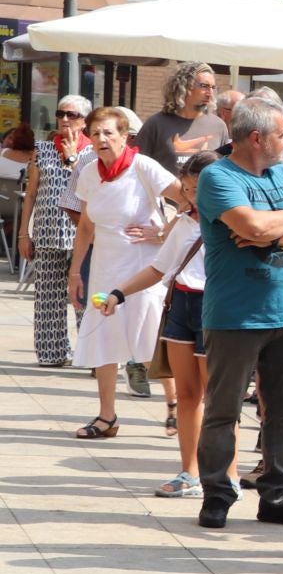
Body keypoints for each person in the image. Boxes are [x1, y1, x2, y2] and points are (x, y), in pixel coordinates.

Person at [195, 96, 283, 531]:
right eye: (282, 133)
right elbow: (250, 226)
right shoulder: (217, 176)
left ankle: (277, 495)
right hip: (235, 316)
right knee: (223, 411)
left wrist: (269, 231)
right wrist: (279, 225)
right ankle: (217, 494)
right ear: (256, 138)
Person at [99, 152, 218, 497]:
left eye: (199, 189)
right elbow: (158, 268)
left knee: (218, 400)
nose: (192, 197)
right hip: (180, 306)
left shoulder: (231, 221)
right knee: (187, 395)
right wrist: (119, 293)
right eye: (187, 189)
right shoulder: (183, 222)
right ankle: (189, 472)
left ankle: (224, 476)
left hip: (215, 309)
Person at [67, 107, 176, 439]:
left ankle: (175, 406)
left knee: (148, 339)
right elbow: (86, 226)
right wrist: (75, 272)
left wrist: (162, 232)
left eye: (109, 132)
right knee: (103, 340)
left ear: (124, 136)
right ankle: (107, 416)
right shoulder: (89, 172)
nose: (102, 139)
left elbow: (189, 199)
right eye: (96, 133)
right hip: (105, 266)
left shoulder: (144, 167)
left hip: (143, 269)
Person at [22, 98, 90, 366]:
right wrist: (24, 234)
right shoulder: (43, 149)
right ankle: (52, 353)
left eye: (72, 115)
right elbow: (31, 194)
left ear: (84, 120)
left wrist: (73, 158)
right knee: (47, 296)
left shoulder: (93, 152)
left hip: (82, 234)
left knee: (84, 295)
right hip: (47, 232)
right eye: (60, 113)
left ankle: (91, 354)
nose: (65, 119)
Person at [137, 61, 227, 173]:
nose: (210, 93)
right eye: (204, 86)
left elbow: (225, 170)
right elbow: (137, 167)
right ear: (185, 86)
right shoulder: (156, 124)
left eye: (213, 87)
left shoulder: (219, 126)